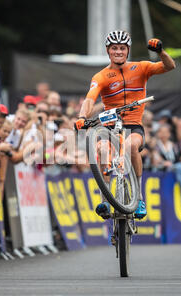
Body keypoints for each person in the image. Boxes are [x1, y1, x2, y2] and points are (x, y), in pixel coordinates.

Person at [75, 30, 175, 219]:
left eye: (122, 48)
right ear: (108, 50)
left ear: (127, 50)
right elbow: (90, 99)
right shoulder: (101, 76)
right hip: (110, 125)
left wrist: (161, 52)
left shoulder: (142, 67)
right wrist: (82, 116)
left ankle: (139, 198)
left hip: (133, 125)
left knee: (130, 146)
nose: (118, 52)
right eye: (114, 48)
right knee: (102, 147)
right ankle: (105, 200)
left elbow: (169, 66)